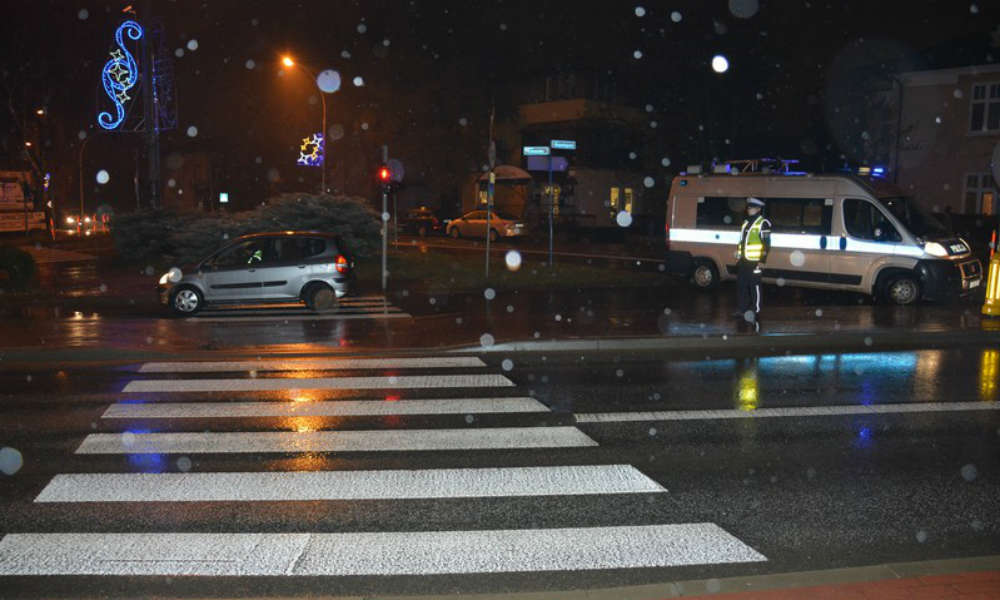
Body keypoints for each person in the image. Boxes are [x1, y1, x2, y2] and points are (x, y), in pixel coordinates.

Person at [734, 197, 771, 327]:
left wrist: (762, 260)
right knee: (742, 286)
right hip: (744, 260)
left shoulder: (763, 223)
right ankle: (742, 309)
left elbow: (766, 244)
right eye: (748, 207)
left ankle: (756, 310)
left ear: (758, 209)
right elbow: (741, 242)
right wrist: (738, 256)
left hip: (755, 261)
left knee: (755, 286)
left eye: (752, 207)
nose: (749, 209)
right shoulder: (745, 223)